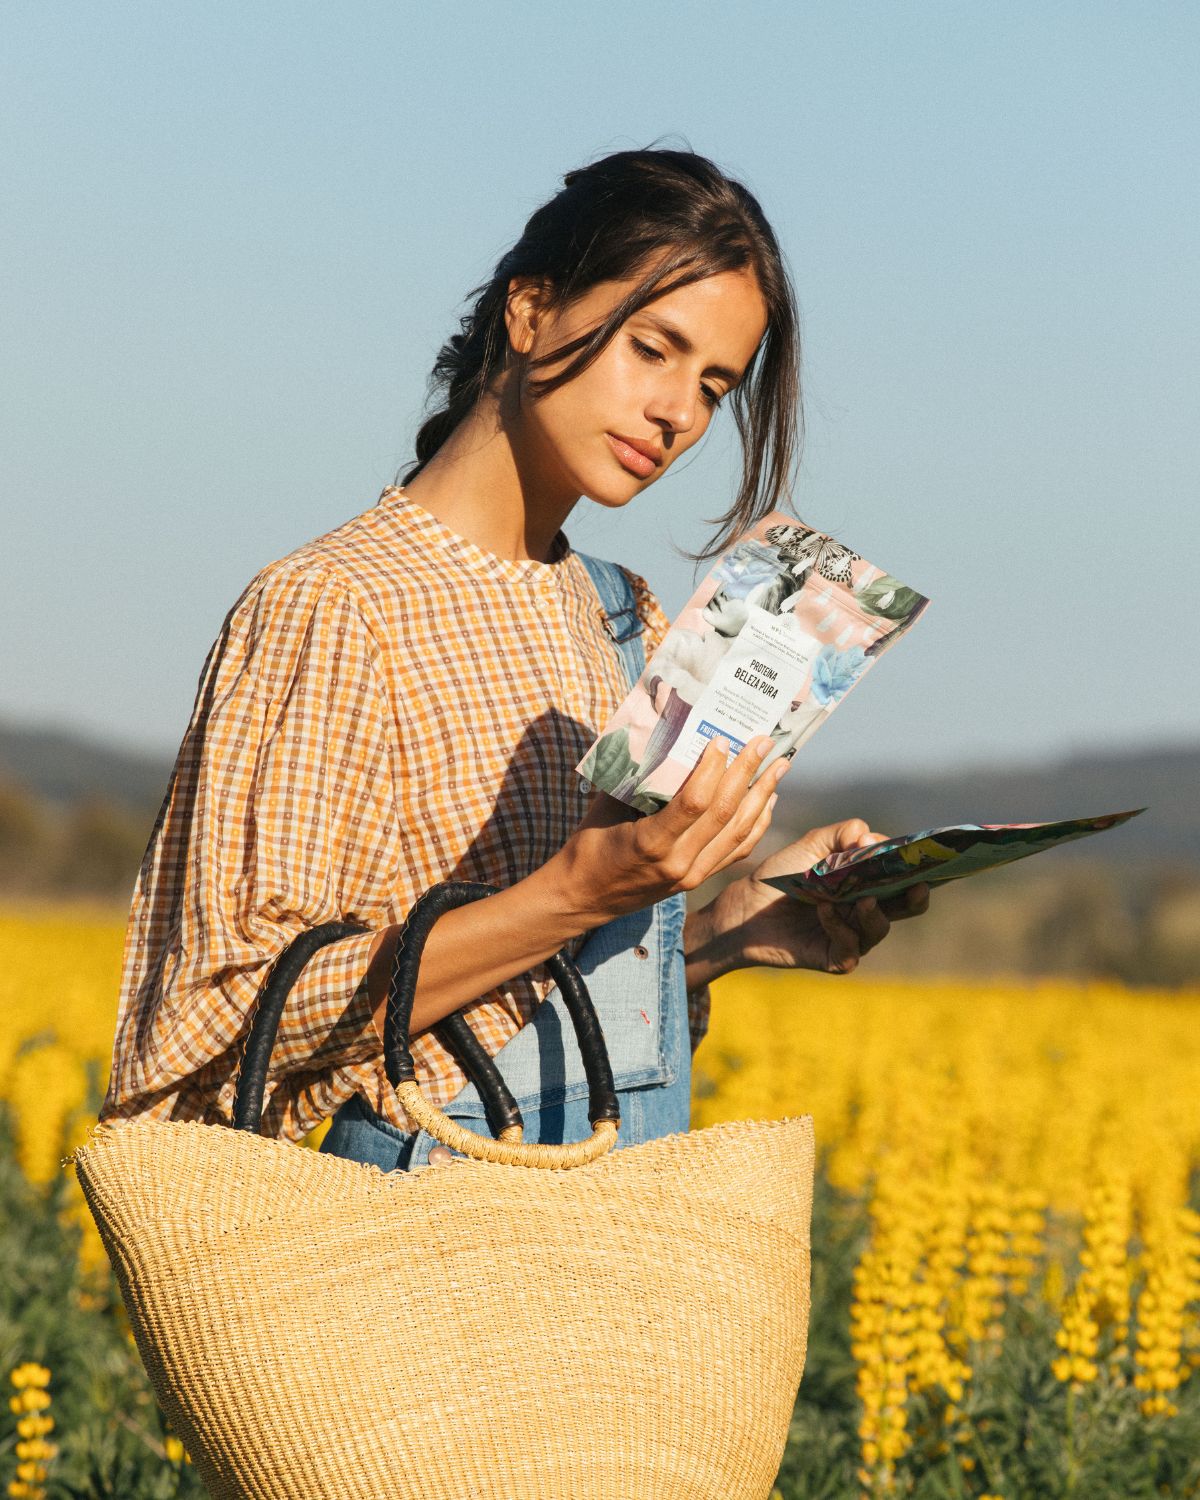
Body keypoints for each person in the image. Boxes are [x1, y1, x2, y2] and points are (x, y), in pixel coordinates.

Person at [100, 148, 929, 1169]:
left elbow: (554, 997)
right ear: (530, 312)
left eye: (713, 385)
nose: (678, 413)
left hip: (597, 1227)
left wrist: (720, 933)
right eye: (653, 348)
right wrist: (580, 888)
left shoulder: (625, 616)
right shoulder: (339, 607)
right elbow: (215, 1027)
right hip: (416, 1244)